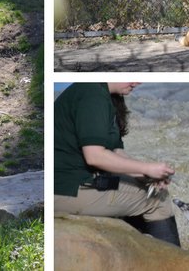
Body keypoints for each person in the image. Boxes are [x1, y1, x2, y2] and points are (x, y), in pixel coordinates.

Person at [54, 82, 180, 246]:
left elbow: (115, 152)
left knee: (148, 188)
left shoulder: (104, 95)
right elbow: (95, 156)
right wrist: (147, 168)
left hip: (79, 181)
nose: (138, 82)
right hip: (66, 187)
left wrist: (145, 176)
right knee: (158, 200)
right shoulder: (92, 94)